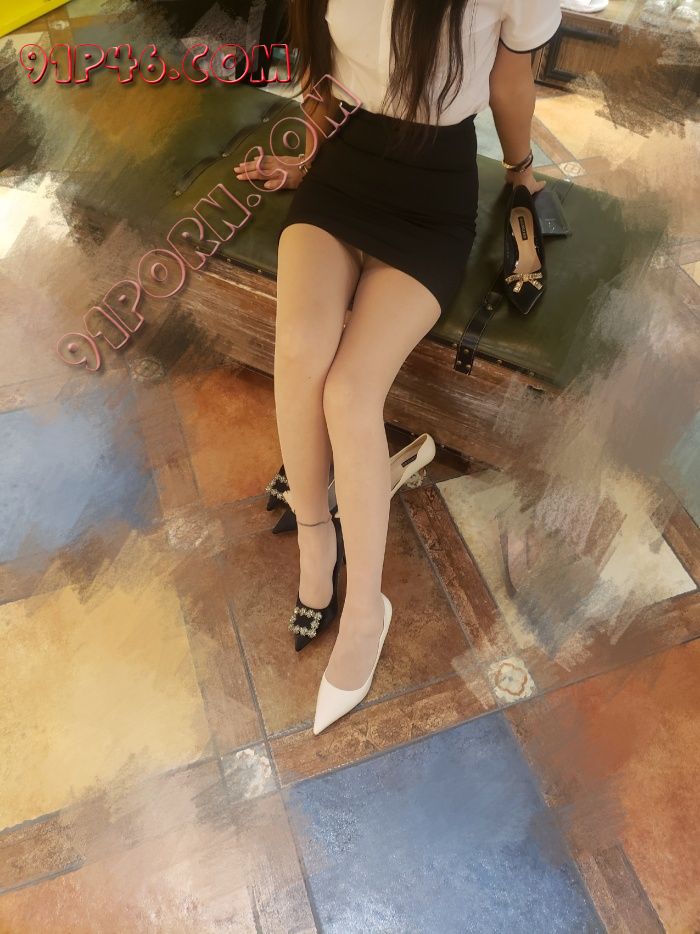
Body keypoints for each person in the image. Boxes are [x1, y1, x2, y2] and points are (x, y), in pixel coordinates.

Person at [234, 0, 561, 734]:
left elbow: (510, 84)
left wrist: (521, 173)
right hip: (340, 173)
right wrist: (306, 161)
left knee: (351, 392)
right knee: (300, 351)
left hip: (431, 201)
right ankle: (315, 537)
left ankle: (365, 609)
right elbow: (323, 72)